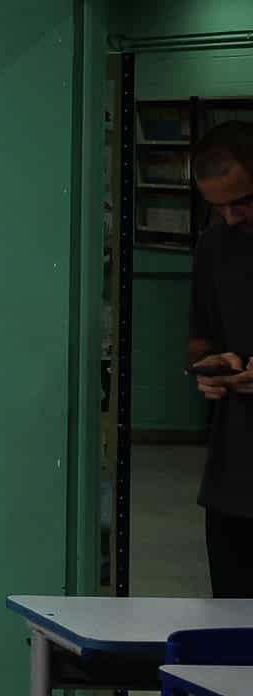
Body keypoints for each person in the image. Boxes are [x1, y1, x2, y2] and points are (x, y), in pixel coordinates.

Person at [189, 120, 253, 599]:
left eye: (244, 202)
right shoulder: (215, 247)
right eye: (218, 207)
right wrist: (210, 368)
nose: (232, 217)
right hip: (236, 475)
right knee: (231, 629)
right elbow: (200, 337)